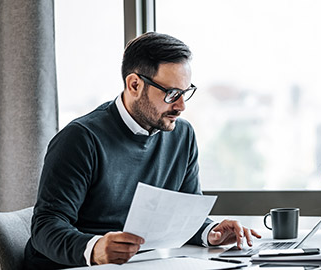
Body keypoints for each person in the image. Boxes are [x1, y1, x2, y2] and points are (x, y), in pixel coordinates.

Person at [24, 32, 261, 269]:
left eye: (185, 92)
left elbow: (183, 217)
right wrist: (95, 248)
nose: (181, 106)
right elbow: (46, 227)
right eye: (172, 94)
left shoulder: (182, 135)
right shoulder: (81, 139)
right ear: (134, 85)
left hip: (140, 264)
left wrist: (211, 232)